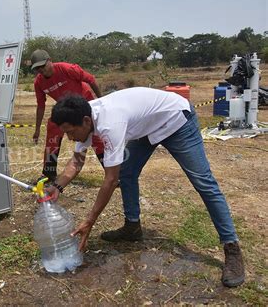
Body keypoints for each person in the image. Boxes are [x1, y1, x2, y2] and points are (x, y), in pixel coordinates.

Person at [47, 87, 245, 288]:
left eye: (71, 132)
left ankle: (232, 248)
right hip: (149, 128)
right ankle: (132, 227)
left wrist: (89, 221)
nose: (70, 138)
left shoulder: (109, 124)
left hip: (177, 120)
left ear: (86, 122)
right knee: (128, 172)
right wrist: (57, 186)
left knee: (203, 183)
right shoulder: (84, 117)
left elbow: (110, 180)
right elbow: (76, 163)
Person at [30, 49, 105, 182]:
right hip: (66, 108)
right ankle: (49, 173)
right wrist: (37, 130)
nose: (41, 70)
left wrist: (102, 102)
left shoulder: (67, 69)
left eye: (43, 65)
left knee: (94, 134)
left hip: (85, 103)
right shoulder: (39, 83)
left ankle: (113, 173)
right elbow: (40, 106)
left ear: (50, 60)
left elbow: (91, 80)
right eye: (38, 68)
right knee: (53, 126)